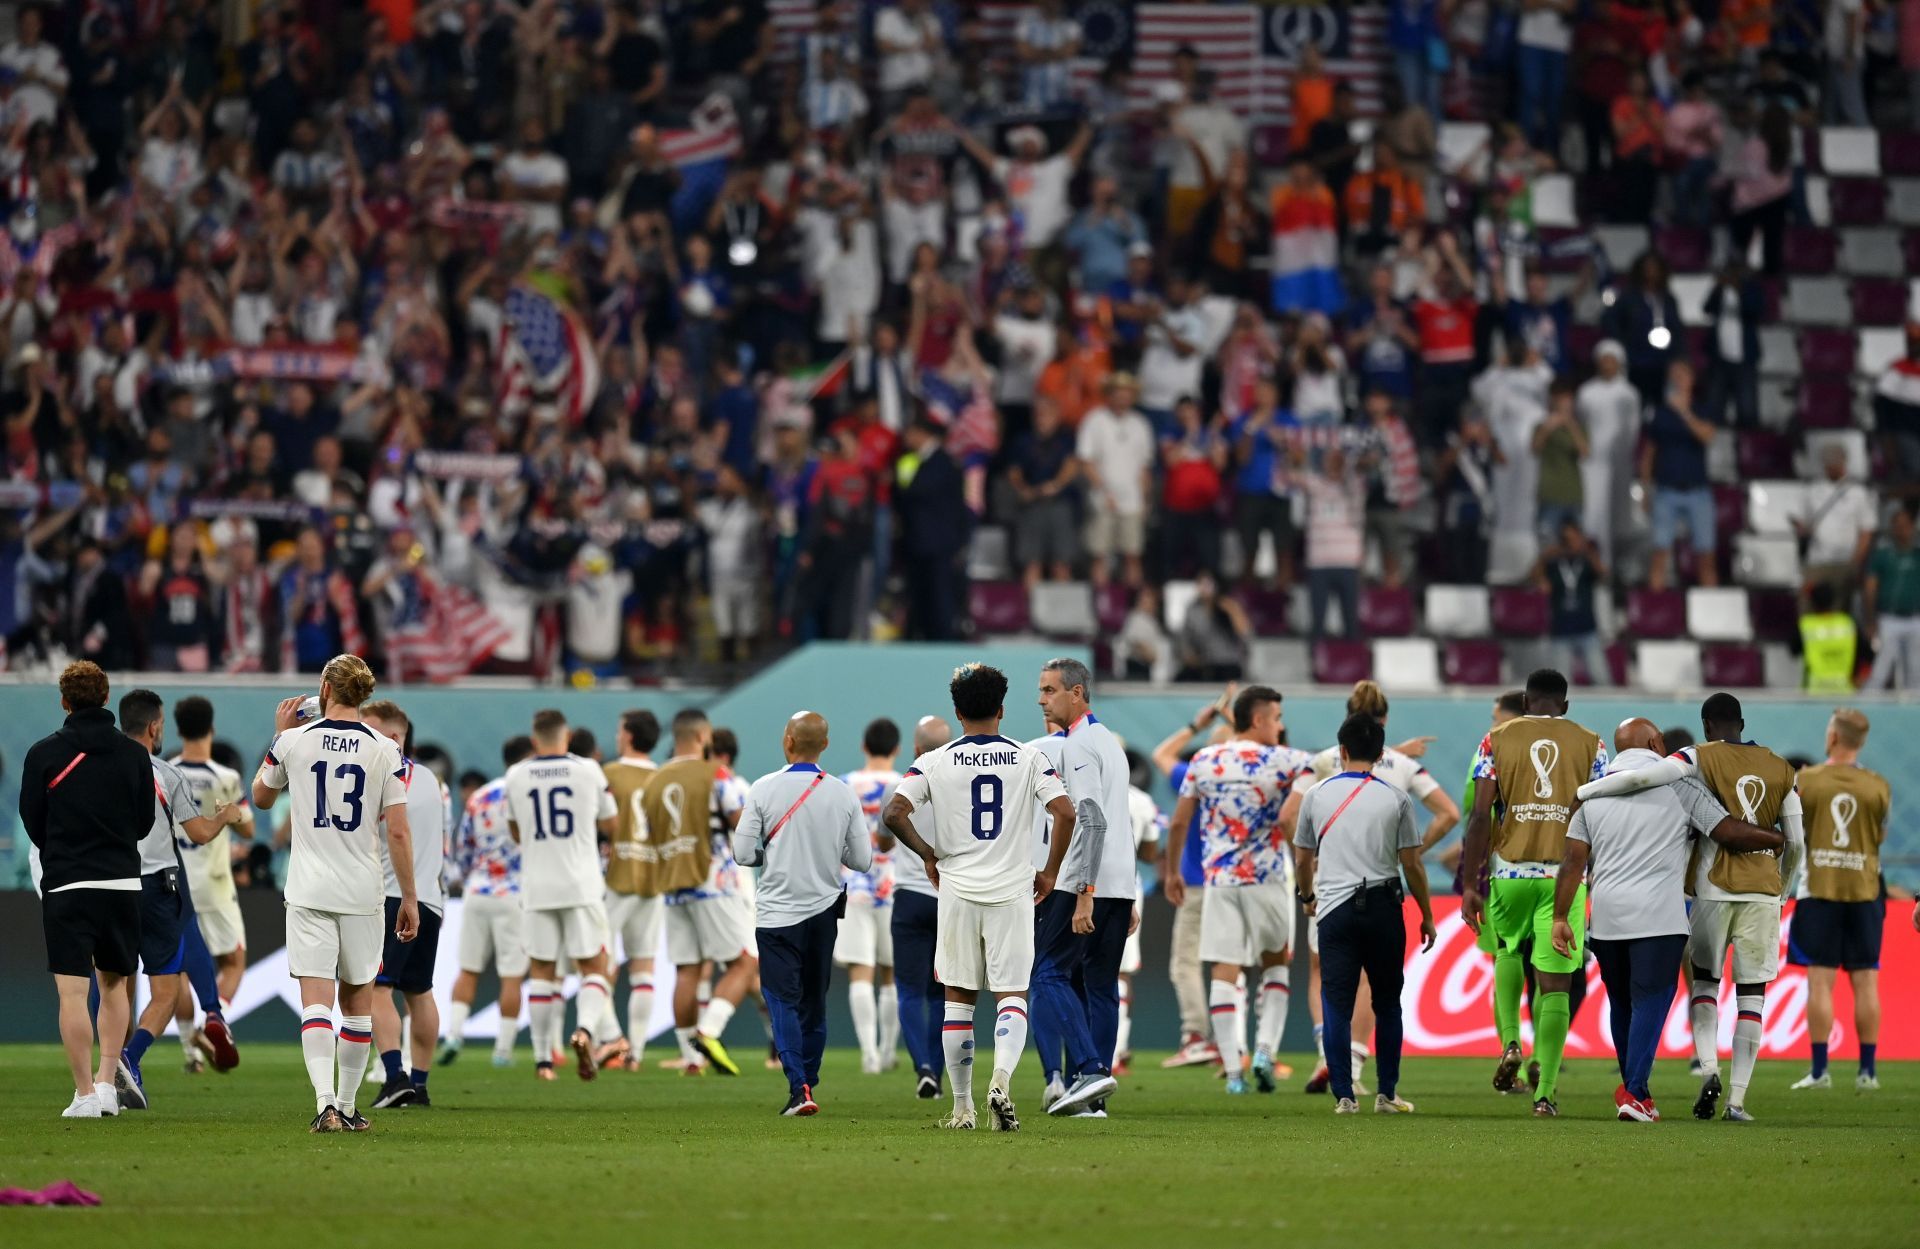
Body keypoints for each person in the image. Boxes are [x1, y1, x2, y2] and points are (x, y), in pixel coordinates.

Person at [1574, 693, 1805, 1122]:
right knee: (1751, 994)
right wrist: (1783, 883)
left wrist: (1588, 789)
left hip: (1705, 892)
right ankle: (1736, 1100)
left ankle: (1706, 1072)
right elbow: (1796, 841)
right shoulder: (1782, 769)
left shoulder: (1695, 758)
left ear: (1706, 725)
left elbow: (1641, 780)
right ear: (1741, 720)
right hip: (1760, 892)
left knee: (1702, 986)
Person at [884, 663, 1076, 1132]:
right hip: (1013, 890)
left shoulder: (933, 760)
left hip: (957, 891)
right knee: (1013, 994)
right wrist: (1049, 872)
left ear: (957, 711)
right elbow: (1065, 812)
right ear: (1003, 710)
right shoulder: (1028, 757)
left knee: (958, 1000)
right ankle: (1002, 1083)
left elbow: (894, 812)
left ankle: (963, 1109)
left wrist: (929, 855)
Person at [253, 655, 417, 1133]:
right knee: (359, 1005)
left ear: (325, 687)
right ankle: (346, 1105)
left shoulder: (292, 741)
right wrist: (408, 898)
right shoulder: (387, 750)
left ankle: (325, 1103)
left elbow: (260, 799)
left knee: (316, 1003)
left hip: (308, 888)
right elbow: (400, 834)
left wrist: (277, 734)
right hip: (364, 890)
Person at [1285, 680, 1457, 1095]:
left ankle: (1330, 1058)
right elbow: (1448, 814)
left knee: (1324, 977)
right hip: (1380, 889)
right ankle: (1364, 1068)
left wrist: (1315, 859)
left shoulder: (1322, 762)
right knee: (1374, 986)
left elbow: (1290, 814)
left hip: (1329, 887)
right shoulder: (1400, 764)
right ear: (1384, 728)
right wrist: (1404, 854)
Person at [1460, 668, 1609, 1117]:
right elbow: (1600, 816)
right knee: (1556, 984)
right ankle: (1544, 1091)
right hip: (1565, 877)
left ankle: (1510, 1044)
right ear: (1565, 706)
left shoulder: (1496, 740)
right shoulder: (1593, 743)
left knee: (1507, 953)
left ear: (1526, 702)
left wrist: (1471, 883)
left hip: (1510, 873)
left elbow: (1481, 814)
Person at [21, 663, 162, 1118]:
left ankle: (83, 1094)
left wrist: (64, 847)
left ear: (64, 701)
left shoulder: (44, 753)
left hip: (67, 883)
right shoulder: (134, 755)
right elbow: (144, 822)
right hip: (121, 882)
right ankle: (106, 1084)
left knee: (72, 994)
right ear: (105, 698)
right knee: (116, 986)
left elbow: (33, 820)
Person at [1163, 686, 1315, 1095]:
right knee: (1275, 967)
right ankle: (1265, 1051)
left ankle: (1233, 1072)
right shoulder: (1292, 761)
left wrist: (1174, 871)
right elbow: (1305, 802)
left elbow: (1179, 822)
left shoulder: (1203, 760)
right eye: (1278, 718)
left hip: (1219, 883)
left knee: (1223, 974)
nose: (1281, 726)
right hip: (1267, 880)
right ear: (1260, 719)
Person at [734, 712, 872, 1116]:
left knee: (782, 1001)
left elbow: (743, 853)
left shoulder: (762, 788)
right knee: (814, 1001)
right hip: (824, 912)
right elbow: (862, 859)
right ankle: (810, 1080)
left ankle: (800, 1087)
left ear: (788, 741)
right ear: (825, 745)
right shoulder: (843, 793)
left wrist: (767, 853)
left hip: (777, 914)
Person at [116, 688, 246, 1111]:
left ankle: (102, 1076)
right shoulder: (168, 773)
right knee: (173, 982)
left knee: (112, 981)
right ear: (155, 727)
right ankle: (206, 1017)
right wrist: (227, 816)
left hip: (109, 886)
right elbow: (203, 832)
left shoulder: (98, 771)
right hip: (168, 884)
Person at [1030, 658, 1133, 1119]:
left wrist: (1086, 890)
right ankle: (1094, 1098)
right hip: (1118, 882)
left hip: (1082, 881)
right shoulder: (1109, 742)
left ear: (1076, 693)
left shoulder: (1078, 746)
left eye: (1050, 690)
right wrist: (1122, 890)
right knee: (1101, 987)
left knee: (1047, 973)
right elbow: (1119, 815)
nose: (1041, 699)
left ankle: (1088, 1071)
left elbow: (1091, 816)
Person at [504, 709, 620, 1083]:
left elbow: (516, 831)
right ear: (566, 737)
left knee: (541, 971)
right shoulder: (588, 770)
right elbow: (611, 823)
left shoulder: (517, 775)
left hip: (537, 885)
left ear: (535, 740)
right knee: (593, 967)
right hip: (581, 884)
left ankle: (542, 1063)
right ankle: (585, 1031)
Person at [641, 708, 755, 1076]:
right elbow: (743, 822)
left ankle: (690, 1058)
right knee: (744, 963)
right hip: (714, 882)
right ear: (703, 736)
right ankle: (709, 1031)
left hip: (673, 884)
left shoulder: (654, 781)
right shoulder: (716, 775)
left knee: (687, 971)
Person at [1788, 708, 1891, 1092]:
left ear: (1833, 737)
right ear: (1860, 742)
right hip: (1865, 891)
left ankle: (1819, 1072)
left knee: (1820, 983)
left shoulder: (1807, 781)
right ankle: (1868, 1072)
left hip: (1821, 891)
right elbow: (1879, 836)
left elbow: (1795, 833)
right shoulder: (1878, 785)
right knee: (1866, 983)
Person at [362, 701, 450, 1110]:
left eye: (371, 730)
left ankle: (394, 1076)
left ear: (395, 739)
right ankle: (421, 1084)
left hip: (396, 896)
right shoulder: (433, 780)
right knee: (420, 992)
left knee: (378, 988)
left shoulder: (386, 777)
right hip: (431, 897)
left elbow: (393, 835)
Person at [437, 735, 533, 1069]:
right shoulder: (528, 792)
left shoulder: (480, 796)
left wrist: (466, 877)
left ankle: (453, 1034)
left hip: (478, 891)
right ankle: (503, 1051)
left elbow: (463, 844)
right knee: (512, 976)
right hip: (516, 894)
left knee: (468, 969)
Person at [166, 696, 250, 1075]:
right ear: (211, 729)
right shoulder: (226, 778)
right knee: (233, 960)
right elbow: (247, 827)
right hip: (215, 884)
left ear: (177, 729)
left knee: (180, 969)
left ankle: (191, 1052)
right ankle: (213, 1023)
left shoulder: (164, 772)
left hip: (176, 883)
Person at [890, 715, 953, 1099]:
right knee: (942, 993)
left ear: (915, 748)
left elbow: (884, 837)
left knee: (909, 991)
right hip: (948, 897)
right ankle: (938, 1070)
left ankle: (923, 1068)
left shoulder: (901, 789)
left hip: (910, 896)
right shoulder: (958, 788)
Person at [838, 718, 903, 1075]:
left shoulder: (846, 784)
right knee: (891, 973)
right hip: (894, 885)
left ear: (864, 746)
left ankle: (868, 1054)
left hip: (854, 884)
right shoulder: (903, 784)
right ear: (896, 749)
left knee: (860, 973)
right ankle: (888, 1049)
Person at [603, 709, 664, 1068]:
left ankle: (613, 1039)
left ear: (627, 735)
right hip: (653, 878)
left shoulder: (608, 774)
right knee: (644, 967)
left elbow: (600, 824)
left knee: (598, 964)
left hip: (617, 876)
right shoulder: (663, 777)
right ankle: (637, 1052)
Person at [1641, 358, 1719, 591]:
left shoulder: (1702, 409)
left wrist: (1684, 413)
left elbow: (1707, 436)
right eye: (1672, 375)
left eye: (1682, 375)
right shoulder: (1660, 414)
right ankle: (1655, 607)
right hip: (1667, 491)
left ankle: (1710, 609)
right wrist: (1646, 490)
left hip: (1698, 492)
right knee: (1660, 553)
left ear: (1691, 380)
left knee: (1706, 555)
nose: (1677, 379)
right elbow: (1649, 454)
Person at [1795, 445, 1877, 610]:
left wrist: (1855, 562)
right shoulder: (1813, 490)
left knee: (1839, 610)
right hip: (1816, 561)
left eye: (1835, 461)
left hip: (1844, 563)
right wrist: (1802, 529)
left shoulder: (1858, 492)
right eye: (1828, 461)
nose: (1831, 465)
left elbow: (1866, 531)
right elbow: (1804, 524)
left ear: (1844, 462)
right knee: (1807, 608)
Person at [1864, 503, 1920, 689]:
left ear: (1912, 527)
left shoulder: (1917, 556)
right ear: (1892, 529)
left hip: (1914, 619)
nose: (1901, 530)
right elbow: (1870, 589)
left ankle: (1914, 712)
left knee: (1915, 671)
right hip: (1889, 619)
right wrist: (1871, 620)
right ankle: (1869, 707)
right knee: (1881, 669)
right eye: (1897, 526)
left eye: (1905, 526)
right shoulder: (1883, 556)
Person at [1799, 582, 1858, 693]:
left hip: (1814, 693)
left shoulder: (1806, 624)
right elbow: (1864, 653)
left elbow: (1793, 649)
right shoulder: (1847, 623)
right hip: (1844, 692)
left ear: (1813, 603)